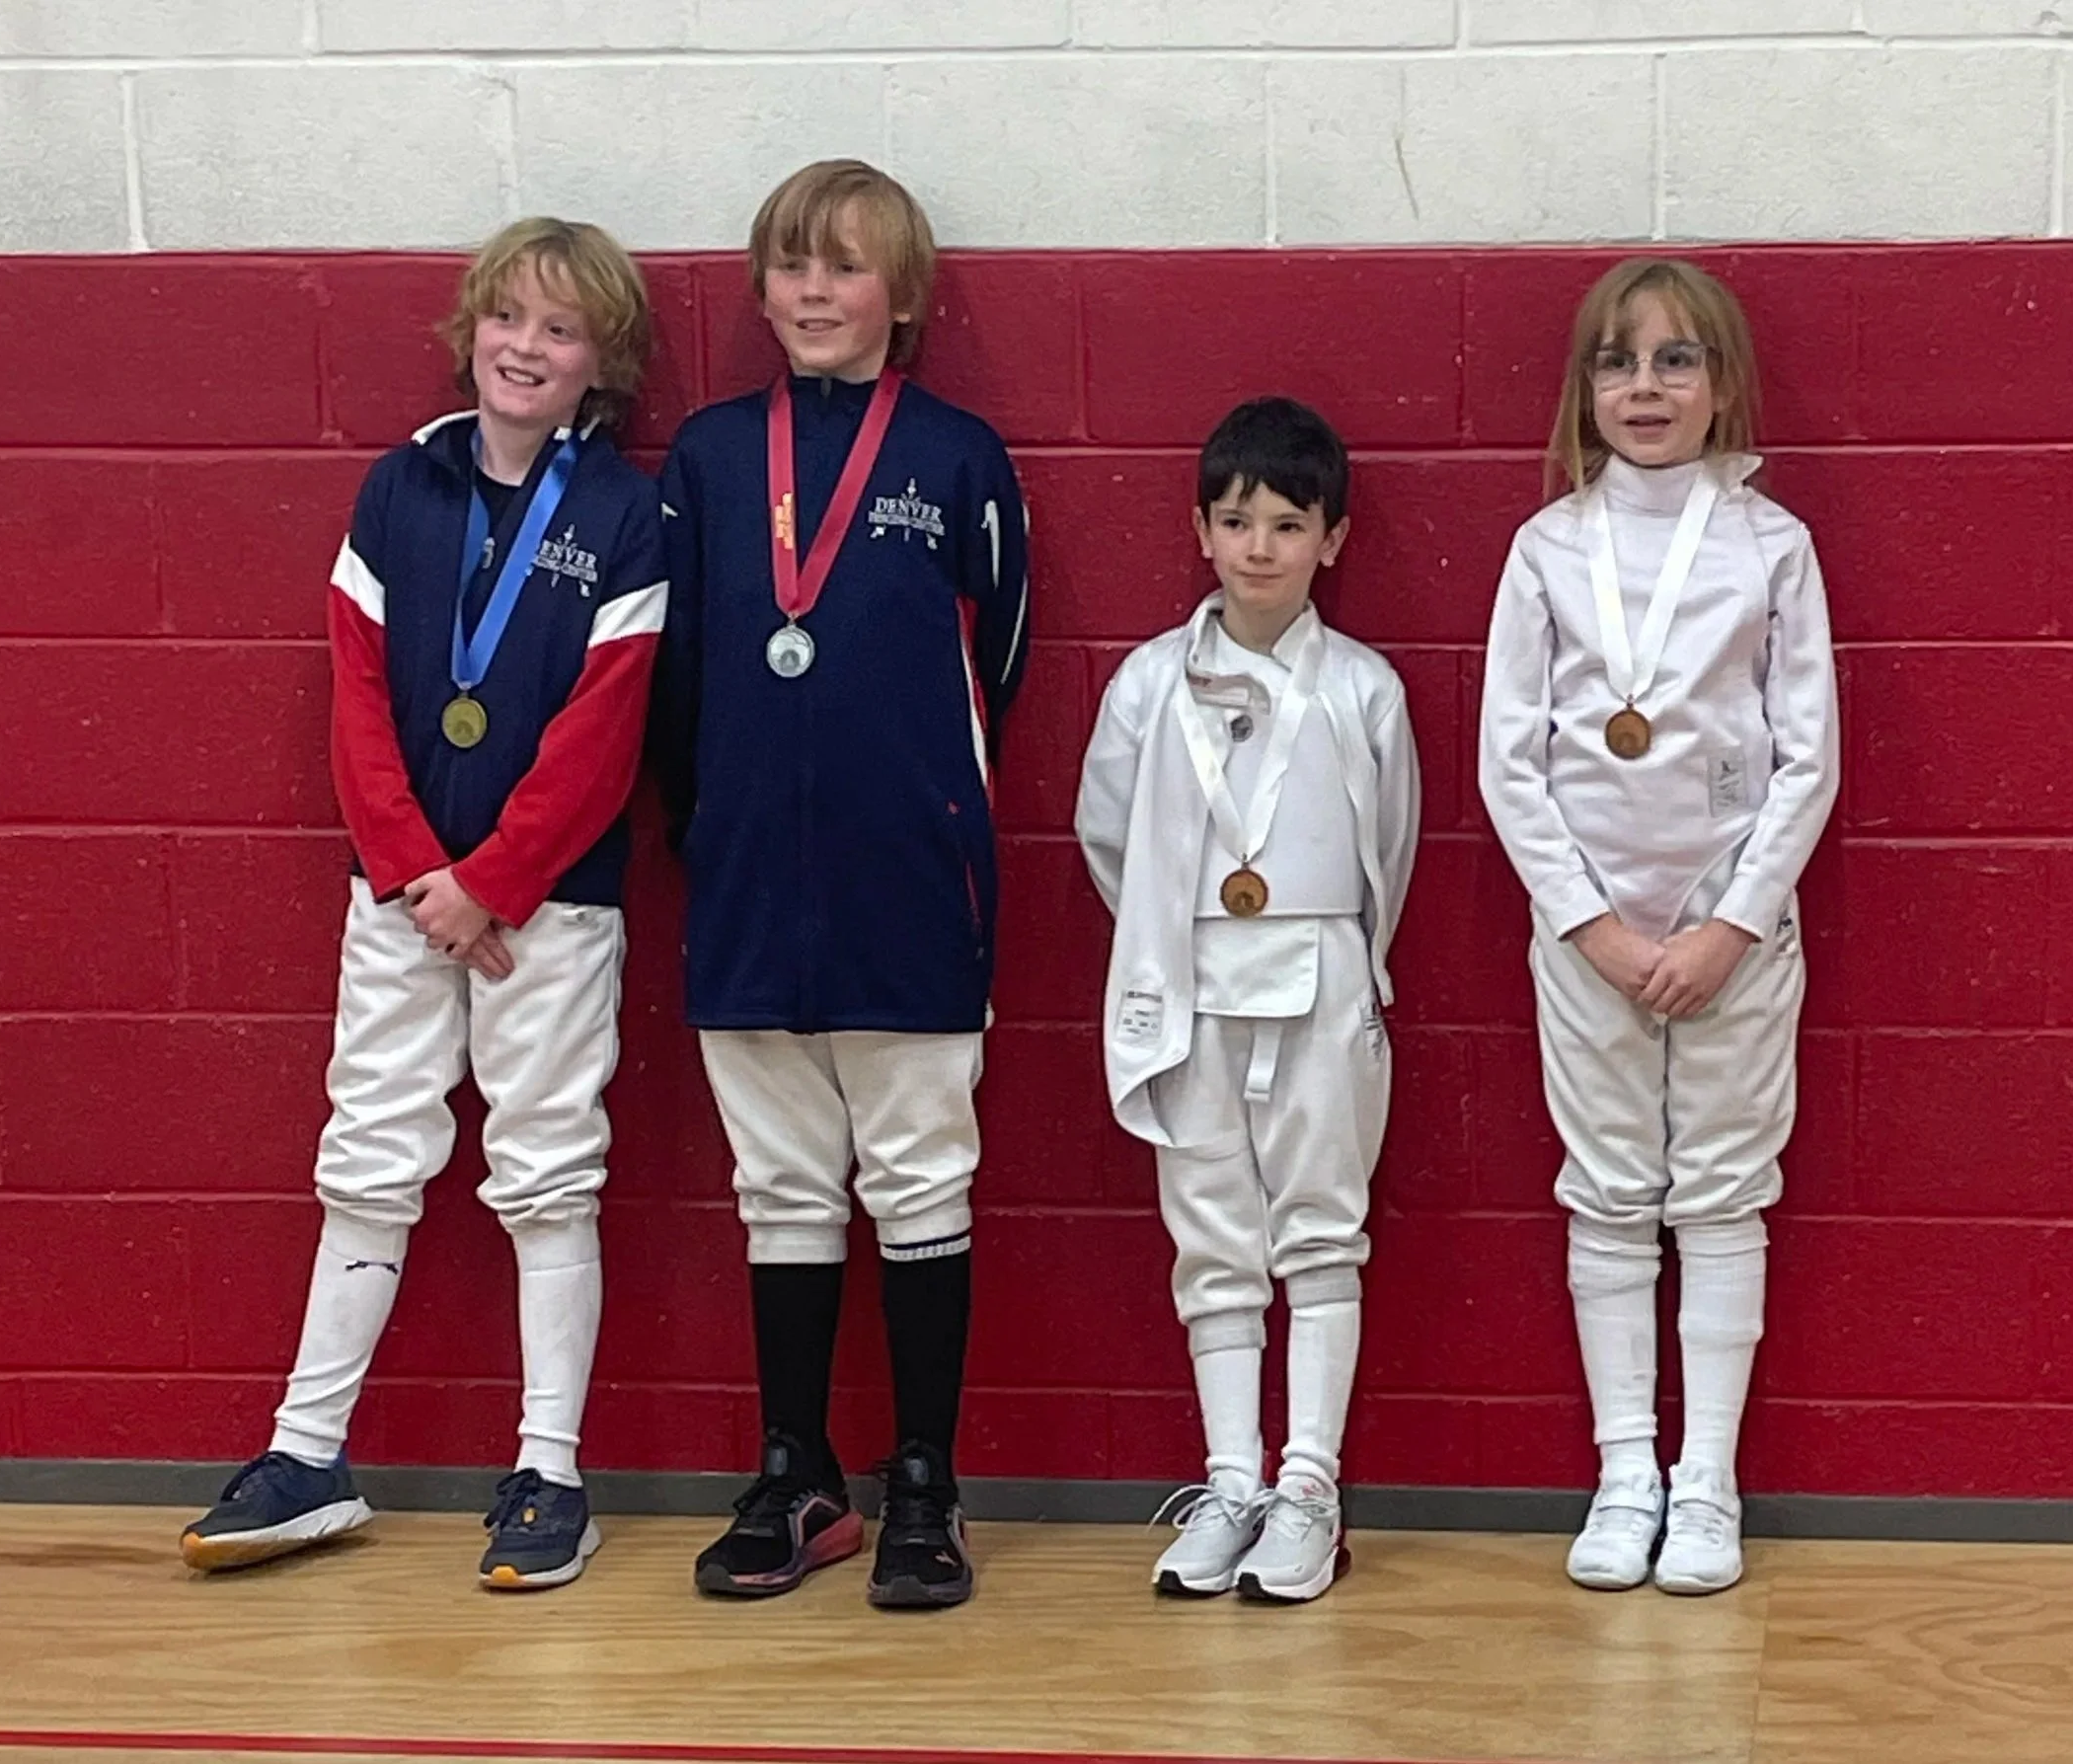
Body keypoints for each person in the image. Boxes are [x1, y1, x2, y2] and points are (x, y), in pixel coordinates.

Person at [179, 217, 665, 1590]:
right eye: (508, 316)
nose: (526, 345)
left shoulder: (626, 516)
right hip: (400, 899)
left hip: (548, 911)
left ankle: (548, 1467)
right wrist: (413, 872)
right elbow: (355, 694)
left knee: (546, 1172)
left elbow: (602, 729)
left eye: (559, 329)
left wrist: (495, 878)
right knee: (368, 1156)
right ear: (473, 328)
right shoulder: (400, 487)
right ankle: (307, 1448)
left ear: (600, 363)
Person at [653, 159, 1031, 1610]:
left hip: (908, 881)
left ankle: (922, 1476)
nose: (815, 291)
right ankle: (795, 1466)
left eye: (847, 267)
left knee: (924, 1176)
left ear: (906, 294)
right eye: (791, 266)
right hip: (748, 883)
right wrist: (720, 823)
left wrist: (924, 807)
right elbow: (673, 682)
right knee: (783, 1186)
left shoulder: (955, 456)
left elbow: (993, 660)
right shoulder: (698, 458)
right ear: (758, 288)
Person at [1479, 258, 1839, 1595]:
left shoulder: (1769, 545)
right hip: (1588, 939)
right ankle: (1622, 1463)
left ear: (1720, 384)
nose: (1643, 387)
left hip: (1732, 933)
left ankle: (1706, 1480)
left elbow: (1805, 757)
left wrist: (1730, 924)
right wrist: (1591, 926)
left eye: (1674, 360)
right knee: (1609, 1186)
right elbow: (1508, 761)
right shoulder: (1545, 548)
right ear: (1583, 387)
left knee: (1724, 1188)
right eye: (1617, 362)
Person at [1076, 397, 1420, 1604]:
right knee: (1214, 1236)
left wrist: (1318, 938)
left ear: (1331, 539)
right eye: (1235, 521)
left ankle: (1310, 1484)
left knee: (1321, 1223)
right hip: (1190, 978)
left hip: (1321, 976)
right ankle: (1231, 1476)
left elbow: (1393, 844)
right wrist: (1190, 919)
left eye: (1286, 522)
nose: (1259, 545)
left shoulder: (1363, 689)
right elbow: (1108, 835)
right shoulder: (1148, 683)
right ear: (1200, 530)